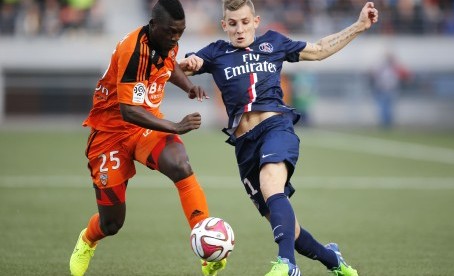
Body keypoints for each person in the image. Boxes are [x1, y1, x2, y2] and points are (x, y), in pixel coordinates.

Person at [180, 0, 378, 275]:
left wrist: (358, 26)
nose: (240, 30)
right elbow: (181, 69)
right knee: (289, 228)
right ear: (224, 25)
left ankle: (287, 265)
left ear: (256, 21)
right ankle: (333, 259)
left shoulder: (273, 43)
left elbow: (319, 50)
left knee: (271, 184)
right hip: (244, 146)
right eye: (233, 24)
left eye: (245, 22)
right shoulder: (215, 52)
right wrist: (186, 63)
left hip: (276, 127)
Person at [68, 1, 227, 275]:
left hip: (145, 125)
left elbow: (168, 65)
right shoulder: (133, 51)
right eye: (171, 32)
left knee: (180, 165)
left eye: (181, 32)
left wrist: (188, 86)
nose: (176, 38)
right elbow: (128, 111)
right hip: (111, 134)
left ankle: (206, 248)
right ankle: (87, 240)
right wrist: (174, 126)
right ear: (153, 26)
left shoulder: (166, 39)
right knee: (112, 224)